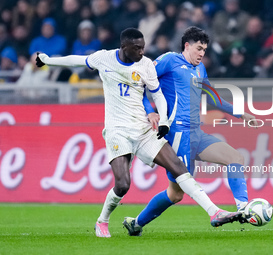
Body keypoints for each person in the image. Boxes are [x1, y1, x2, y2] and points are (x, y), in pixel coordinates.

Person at [35, 28, 241, 238]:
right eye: (137, 48)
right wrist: (48, 60)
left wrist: (164, 121)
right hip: (118, 132)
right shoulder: (104, 58)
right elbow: (75, 60)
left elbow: (158, 94)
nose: (142, 52)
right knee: (123, 185)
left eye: (143, 47)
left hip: (143, 131)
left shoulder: (145, 65)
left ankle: (214, 212)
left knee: (178, 167)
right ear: (124, 47)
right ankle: (102, 220)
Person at [122, 26, 258, 236]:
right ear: (187, 45)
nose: (202, 53)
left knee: (235, 158)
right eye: (199, 48)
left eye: (205, 49)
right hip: (177, 136)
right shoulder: (168, 60)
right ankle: (137, 223)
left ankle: (244, 209)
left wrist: (240, 114)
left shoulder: (199, 68)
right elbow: (139, 83)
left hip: (197, 133)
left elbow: (212, 97)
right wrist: (150, 111)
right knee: (175, 194)